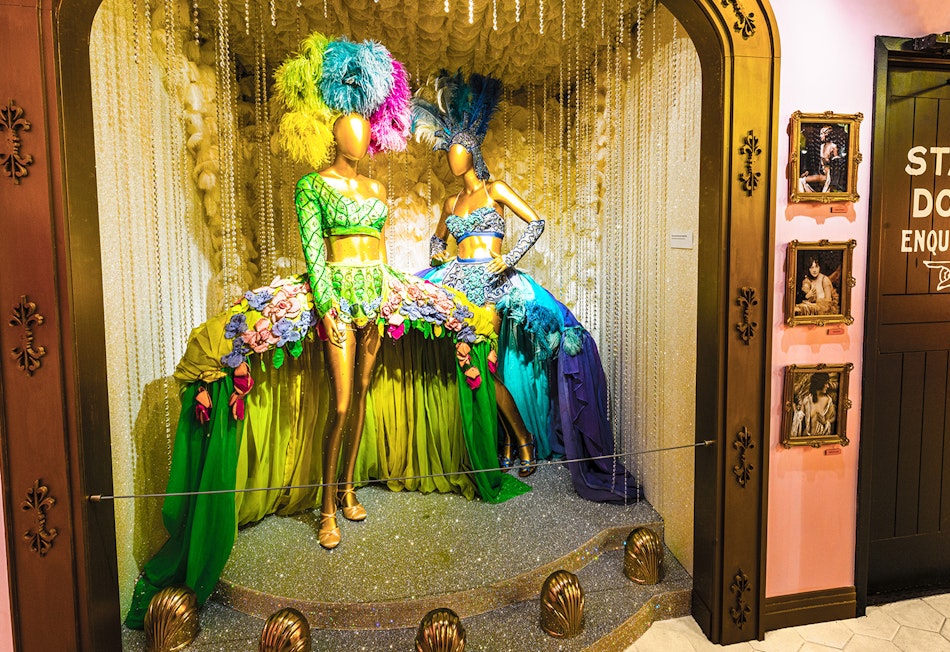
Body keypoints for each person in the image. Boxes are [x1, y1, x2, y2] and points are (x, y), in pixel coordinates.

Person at [124, 37, 522, 628]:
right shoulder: (312, 186)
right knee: (338, 403)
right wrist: (330, 303)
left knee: (361, 396)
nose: (360, 138)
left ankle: (351, 492)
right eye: (351, 127)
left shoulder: (375, 188)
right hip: (337, 295)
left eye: (367, 128)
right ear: (335, 130)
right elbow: (315, 252)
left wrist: (391, 294)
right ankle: (327, 506)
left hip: (376, 295)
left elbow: (382, 249)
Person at [413, 71, 640, 503]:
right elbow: (436, 240)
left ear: (472, 153)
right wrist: (436, 255)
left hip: (495, 283)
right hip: (459, 282)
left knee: (490, 364)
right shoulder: (449, 203)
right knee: (472, 368)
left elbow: (535, 221)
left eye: (458, 153)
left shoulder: (495, 189)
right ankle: (500, 444)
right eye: (449, 155)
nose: (453, 161)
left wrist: (509, 259)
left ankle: (522, 440)